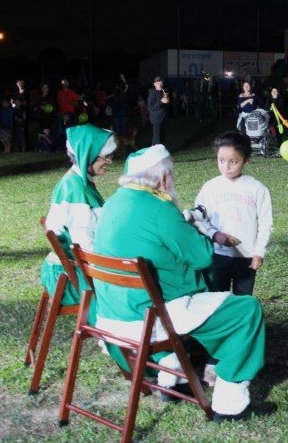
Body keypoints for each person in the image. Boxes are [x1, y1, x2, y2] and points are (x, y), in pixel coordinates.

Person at [93, 145, 274, 422]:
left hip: (110, 316)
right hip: (150, 318)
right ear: (163, 178)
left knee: (200, 290)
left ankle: (172, 378)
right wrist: (196, 226)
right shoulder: (160, 207)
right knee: (246, 311)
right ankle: (230, 405)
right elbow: (202, 256)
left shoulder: (114, 202)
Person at [40, 124, 117, 321]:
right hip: (70, 279)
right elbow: (85, 250)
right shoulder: (75, 190)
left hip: (69, 271)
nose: (109, 160)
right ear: (87, 155)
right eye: (104, 156)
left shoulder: (77, 182)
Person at [193, 132, 273, 296]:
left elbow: (266, 223)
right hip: (218, 255)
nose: (226, 166)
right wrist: (215, 235)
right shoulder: (210, 188)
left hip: (246, 257)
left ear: (246, 160)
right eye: (221, 160)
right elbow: (199, 219)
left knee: (242, 300)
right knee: (216, 300)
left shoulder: (257, 188)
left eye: (233, 161)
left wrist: (258, 252)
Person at [147, 76, 169, 145]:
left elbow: (163, 105)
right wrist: (161, 101)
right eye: (158, 82)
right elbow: (151, 107)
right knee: (157, 138)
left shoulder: (163, 92)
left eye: (161, 82)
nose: (160, 84)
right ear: (154, 84)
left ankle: (162, 151)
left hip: (163, 117)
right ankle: (155, 151)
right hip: (156, 119)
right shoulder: (152, 92)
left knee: (162, 136)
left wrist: (167, 101)